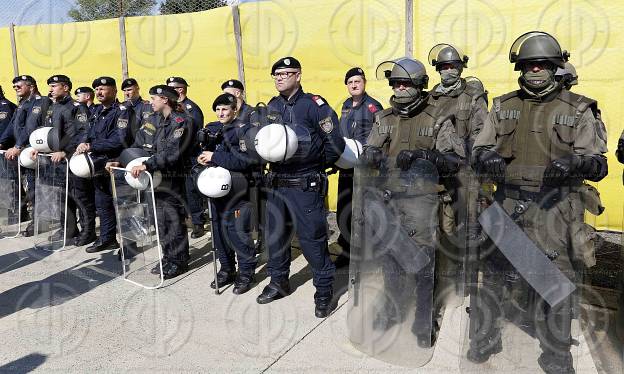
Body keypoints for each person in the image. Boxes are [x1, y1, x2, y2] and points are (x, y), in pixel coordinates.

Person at [469, 31, 608, 373]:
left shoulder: (578, 109)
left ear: (556, 66)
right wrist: (486, 159)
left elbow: (600, 164)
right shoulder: (503, 106)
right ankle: (486, 337)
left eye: (542, 64)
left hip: (555, 210)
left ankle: (556, 352)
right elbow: (479, 149)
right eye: (529, 64)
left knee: (557, 284)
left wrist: (578, 164)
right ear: (520, 67)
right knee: (495, 279)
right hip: (507, 205)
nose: (535, 70)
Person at [359, 56, 464, 347]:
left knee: (422, 263)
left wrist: (426, 156)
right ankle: (393, 308)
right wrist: (369, 155)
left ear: (420, 85)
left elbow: (455, 160)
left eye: (406, 83)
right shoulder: (385, 118)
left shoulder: (438, 116)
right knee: (391, 260)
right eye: (396, 83)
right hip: (389, 200)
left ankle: (423, 316)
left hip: (423, 202)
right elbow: (370, 148)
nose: (400, 88)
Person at [255, 56, 345, 318]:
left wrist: (314, 165)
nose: (280, 77)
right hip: (277, 183)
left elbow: (335, 144)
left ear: (298, 75)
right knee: (276, 236)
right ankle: (279, 282)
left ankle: (324, 291)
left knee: (312, 240)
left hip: (305, 184)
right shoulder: (272, 106)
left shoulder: (314, 105)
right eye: (276, 74)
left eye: (286, 73)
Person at [127, 85, 192, 279]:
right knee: (159, 220)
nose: (151, 102)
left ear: (165, 99)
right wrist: (123, 160)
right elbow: (140, 145)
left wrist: (147, 164)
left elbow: (172, 153)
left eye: (154, 98)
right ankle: (168, 256)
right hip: (155, 178)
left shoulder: (180, 122)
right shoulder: (154, 120)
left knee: (172, 220)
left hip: (173, 177)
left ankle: (179, 260)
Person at [197, 93, 258, 294]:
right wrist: (205, 158)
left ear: (234, 110)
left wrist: (215, 156)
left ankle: (246, 273)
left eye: (225, 109)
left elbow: (243, 161)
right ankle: (227, 269)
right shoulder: (216, 130)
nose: (221, 113)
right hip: (218, 193)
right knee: (219, 233)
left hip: (239, 194)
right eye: (218, 109)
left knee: (239, 234)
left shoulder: (243, 131)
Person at [76, 77, 134, 253]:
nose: (99, 92)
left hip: (116, 163)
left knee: (125, 206)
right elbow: (89, 132)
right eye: (97, 90)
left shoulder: (123, 111)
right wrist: (83, 143)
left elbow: (120, 140)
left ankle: (131, 246)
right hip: (99, 164)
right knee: (103, 203)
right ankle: (108, 239)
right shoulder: (97, 111)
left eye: (102, 88)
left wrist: (92, 146)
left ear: (114, 90)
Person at [332, 67, 382, 268]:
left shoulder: (373, 107)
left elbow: (380, 137)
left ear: (364, 83)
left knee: (364, 212)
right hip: (345, 166)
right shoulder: (345, 106)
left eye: (357, 81)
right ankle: (346, 250)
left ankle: (367, 254)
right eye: (350, 82)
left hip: (365, 168)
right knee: (344, 209)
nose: (354, 85)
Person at [0, 75, 52, 237]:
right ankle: (38, 219)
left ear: (31, 86)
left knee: (41, 185)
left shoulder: (41, 102)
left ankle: (42, 220)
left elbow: (30, 128)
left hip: (37, 151)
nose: (16, 89)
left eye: (19, 86)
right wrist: (1, 143)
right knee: (32, 186)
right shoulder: (23, 104)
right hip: (26, 153)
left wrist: (17, 146)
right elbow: (12, 127)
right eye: (14, 87)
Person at [167, 76, 205, 239]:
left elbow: (194, 135)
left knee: (191, 191)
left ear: (180, 89)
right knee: (179, 190)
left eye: (171, 88)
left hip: (189, 156)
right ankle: (184, 218)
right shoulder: (173, 107)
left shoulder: (191, 108)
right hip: (176, 157)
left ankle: (198, 223)